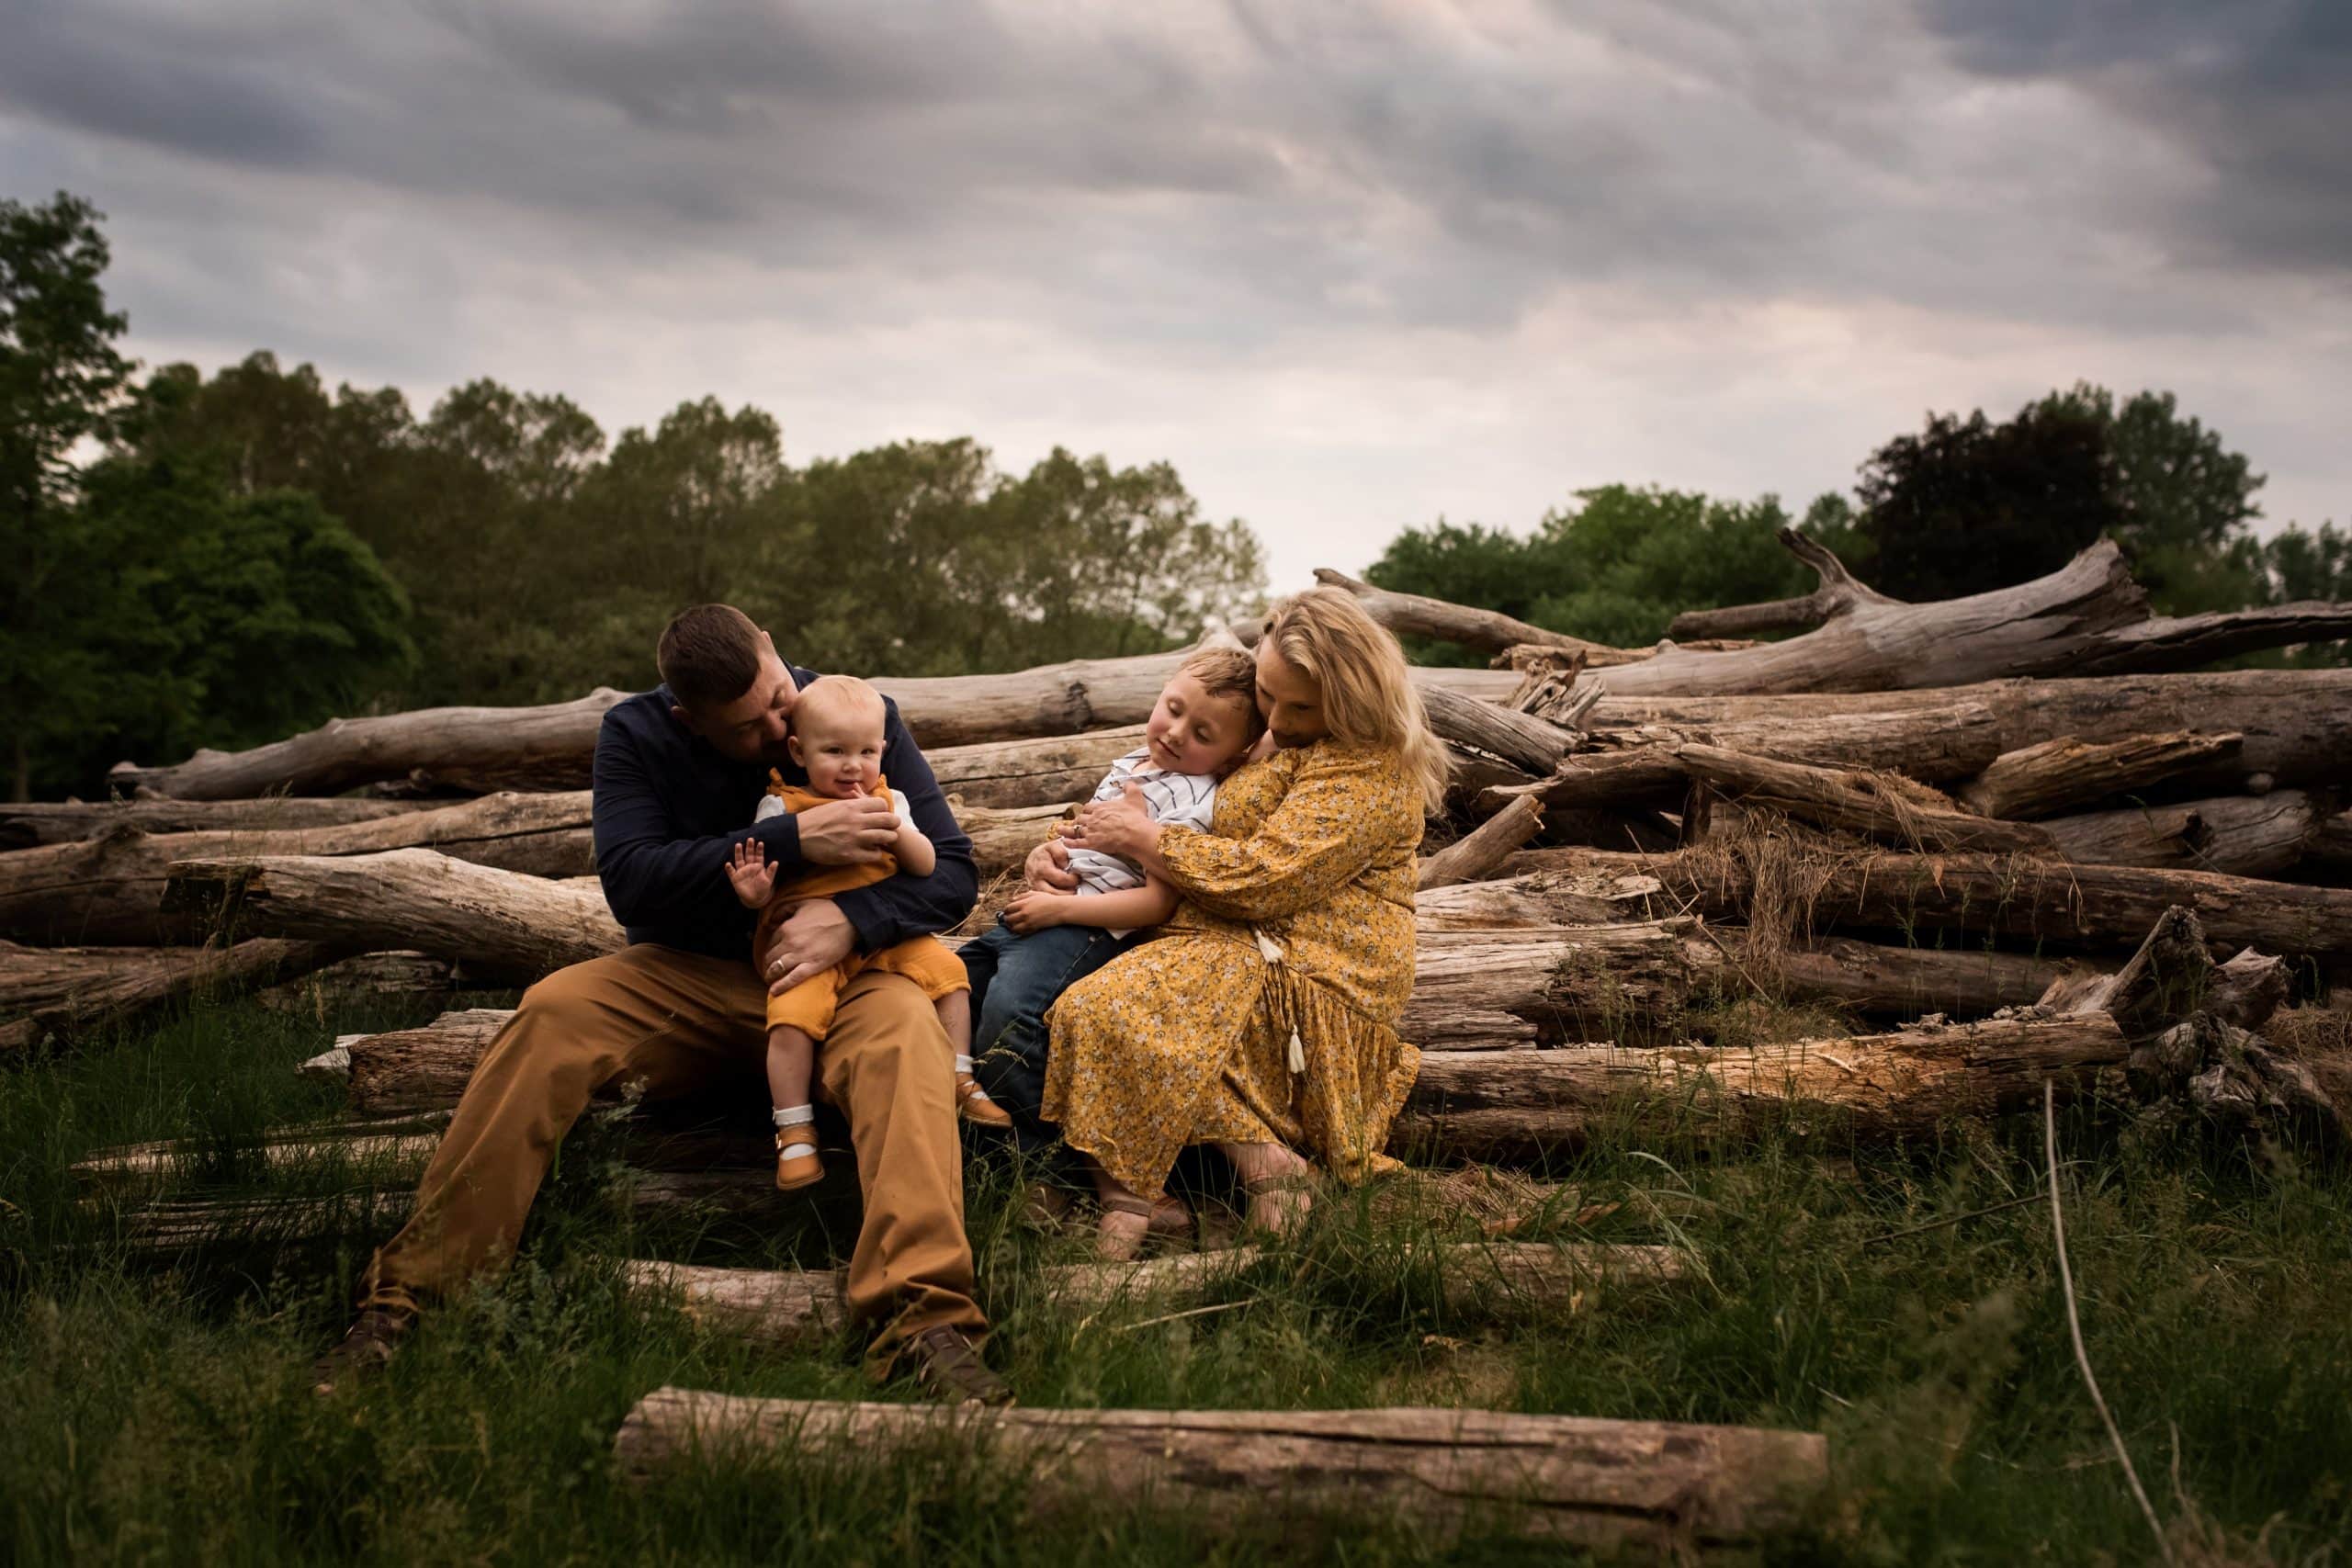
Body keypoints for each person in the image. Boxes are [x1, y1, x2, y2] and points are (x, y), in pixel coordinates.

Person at [313, 605, 1008, 1405]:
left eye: (781, 696)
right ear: (690, 718)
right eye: (752, 727)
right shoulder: (636, 734)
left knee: (906, 1034)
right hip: (692, 979)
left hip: (848, 977)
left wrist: (852, 918)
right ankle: (412, 1300)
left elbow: (952, 873)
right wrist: (791, 845)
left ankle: (925, 1323)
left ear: (773, 650)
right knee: (553, 1012)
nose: (783, 726)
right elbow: (631, 880)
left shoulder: (851, 713)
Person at [1032, 587, 1448, 1258]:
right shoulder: (1272, 737)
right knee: (1101, 1006)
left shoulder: (1372, 770)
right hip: (1231, 943)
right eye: (1266, 694)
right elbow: (1168, 795)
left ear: (1349, 698)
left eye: (1299, 706)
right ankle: (1259, 1174)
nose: (1276, 718)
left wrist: (1145, 843)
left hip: (1313, 973)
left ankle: (1165, 1196)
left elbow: (1266, 877)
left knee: (1108, 1009)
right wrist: (1052, 846)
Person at [963, 648, 1267, 1164]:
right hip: (1040, 914)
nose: (1175, 733)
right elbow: (1084, 834)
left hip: (1083, 932)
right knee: (951, 987)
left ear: (1233, 755)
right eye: (1174, 708)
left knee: (1011, 1019)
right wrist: (1051, 849)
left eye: (1203, 735)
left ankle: (1057, 1161)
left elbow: (1154, 902)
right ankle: (970, 1128)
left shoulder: (1192, 799)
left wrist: (1058, 912)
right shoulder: (1133, 764)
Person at [725, 674, 1010, 1193]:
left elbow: (928, 866)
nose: (853, 765)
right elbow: (765, 889)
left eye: (866, 751)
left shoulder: (891, 800)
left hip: (883, 937)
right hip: (806, 947)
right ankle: (794, 1130)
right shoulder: (780, 807)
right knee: (790, 1019)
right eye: (834, 751)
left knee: (950, 973)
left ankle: (960, 1076)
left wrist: (899, 829)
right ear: (799, 751)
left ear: (884, 750)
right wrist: (754, 893)